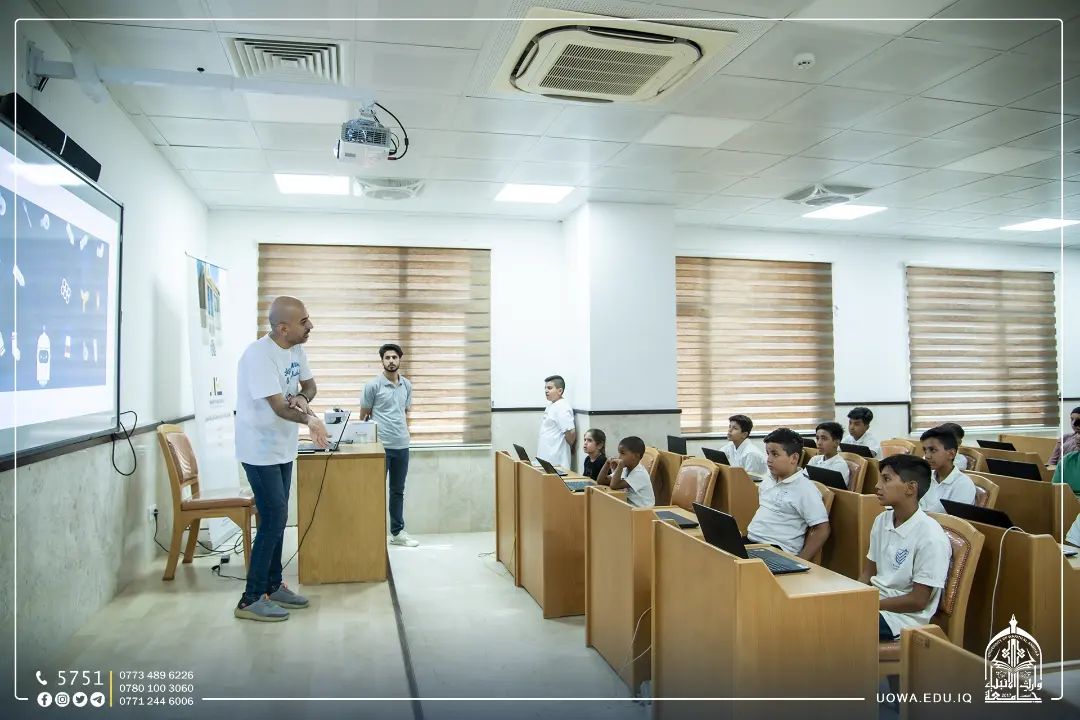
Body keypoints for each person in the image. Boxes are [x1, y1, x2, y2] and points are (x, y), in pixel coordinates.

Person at [233, 296, 328, 622]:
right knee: (274, 517)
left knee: (276, 517)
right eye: (304, 322)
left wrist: (302, 396)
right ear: (283, 328)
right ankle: (250, 599)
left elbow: (310, 386)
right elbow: (277, 407)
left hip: (283, 447)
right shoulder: (258, 356)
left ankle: (273, 586)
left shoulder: (296, 349)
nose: (310, 325)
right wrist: (310, 419)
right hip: (258, 450)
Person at [860, 454, 952, 642]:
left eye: (886, 479)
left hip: (902, 618)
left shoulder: (931, 536)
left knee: (839, 623)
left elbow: (918, 600)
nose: (877, 486)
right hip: (875, 603)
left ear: (911, 488)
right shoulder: (881, 520)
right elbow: (867, 574)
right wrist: (852, 598)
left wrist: (870, 604)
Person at [362, 343, 417, 547]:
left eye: (394, 357)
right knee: (375, 491)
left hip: (402, 445)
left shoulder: (407, 385)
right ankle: (373, 533)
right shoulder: (372, 386)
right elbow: (364, 417)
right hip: (380, 447)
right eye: (387, 358)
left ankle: (397, 533)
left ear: (400, 359)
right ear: (382, 361)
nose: (391, 361)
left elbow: (404, 412)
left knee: (397, 491)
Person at [746, 428, 830, 560]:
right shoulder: (768, 480)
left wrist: (800, 561)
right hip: (752, 543)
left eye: (775, 454)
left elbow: (822, 529)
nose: (769, 460)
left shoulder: (805, 489)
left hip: (777, 550)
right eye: (768, 453)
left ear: (794, 458)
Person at [918, 425, 977, 514]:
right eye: (925, 450)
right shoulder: (924, 477)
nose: (927, 456)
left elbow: (953, 520)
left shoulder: (963, 484)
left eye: (933, 450)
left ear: (951, 454)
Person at [597, 435, 655, 508]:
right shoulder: (625, 469)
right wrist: (607, 463)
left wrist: (620, 466)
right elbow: (601, 481)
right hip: (630, 507)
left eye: (623, 453)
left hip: (643, 510)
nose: (619, 457)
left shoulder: (640, 474)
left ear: (636, 456)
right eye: (619, 453)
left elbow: (614, 485)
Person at [537, 374, 575, 469]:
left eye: (549, 388)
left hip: (556, 458)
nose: (546, 391)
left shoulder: (563, 407)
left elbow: (571, 434)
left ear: (560, 391)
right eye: (545, 388)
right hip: (546, 455)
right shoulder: (551, 405)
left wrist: (570, 446)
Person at [808, 421, 851, 488]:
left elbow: (831, 492)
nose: (819, 443)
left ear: (836, 443)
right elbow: (804, 480)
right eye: (817, 438)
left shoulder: (840, 466)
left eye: (824, 438)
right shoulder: (815, 459)